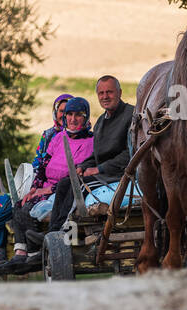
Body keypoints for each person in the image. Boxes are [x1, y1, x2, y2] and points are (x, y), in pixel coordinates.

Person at [0, 93, 72, 278]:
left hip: (52, 189)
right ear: (55, 113)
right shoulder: (49, 135)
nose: (65, 116)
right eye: (61, 111)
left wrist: (39, 188)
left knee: (15, 203)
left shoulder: (73, 137)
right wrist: (30, 183)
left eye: (69, 112)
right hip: (36, 183)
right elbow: (38, 163)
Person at [0, 95, 96, 276]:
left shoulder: (90, 142)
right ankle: (22, 251)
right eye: (69, 114)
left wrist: (46, 190)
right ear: (64, 117)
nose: (73, 119)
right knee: (20, 205)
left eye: (79, 115)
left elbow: (75, 177)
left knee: (26, 210)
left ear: (86, 116)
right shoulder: (58, 137)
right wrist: (34, 188)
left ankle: (37, 251)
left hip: (64, 190)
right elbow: (42, 166)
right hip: (45, 187)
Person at [47, 75, 134, 223]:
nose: (105, 96)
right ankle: (53, 231)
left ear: (120, 92)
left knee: (78, 186)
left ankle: (63, 231)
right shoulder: (100, 121)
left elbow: (131, 153)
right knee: (65, 183)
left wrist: (99, 168)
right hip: (103, 174)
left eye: (109, 92)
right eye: (101, 93)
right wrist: (83, 166)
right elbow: (97, 154)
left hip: (119, 175)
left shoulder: (131, 115)